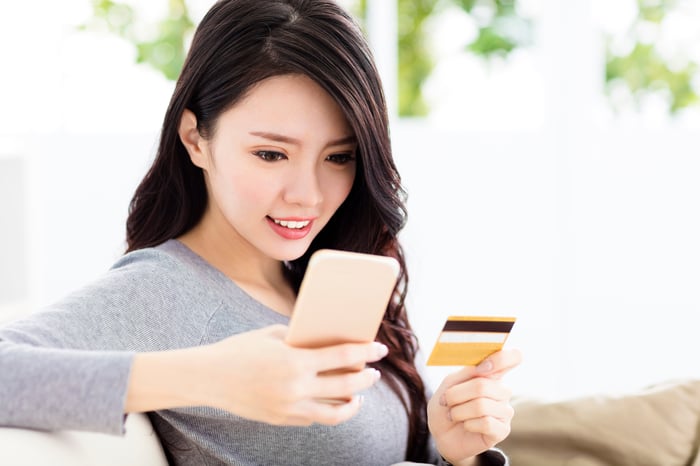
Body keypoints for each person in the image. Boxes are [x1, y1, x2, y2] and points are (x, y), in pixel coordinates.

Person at [0, 0, 521, 465]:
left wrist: (456, 448)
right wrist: (209, 376)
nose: (309, 195)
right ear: (195, 139)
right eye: (271, 154)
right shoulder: (162, 292)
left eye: (339, 157)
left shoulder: (321, 279)